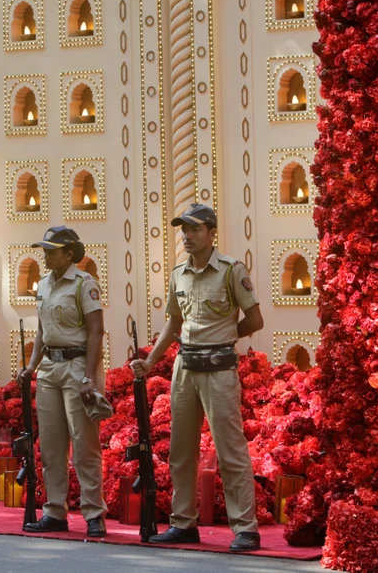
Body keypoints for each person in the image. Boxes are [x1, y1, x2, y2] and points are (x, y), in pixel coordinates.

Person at [131, 203, 264, 552]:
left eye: (194, 229)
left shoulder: (231, 270)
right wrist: (150, 362)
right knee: (181, 451)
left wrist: (222, 335)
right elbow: (172, 324)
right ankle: (183, 522)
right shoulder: (179, 274)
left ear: (211, 232)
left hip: (219, 368)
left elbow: (254, 320)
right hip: (185, 368)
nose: (187, 236)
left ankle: (245, 528)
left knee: (230, 449)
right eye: (183, 230)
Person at [18, 226, 107, 537]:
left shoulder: (84, 284)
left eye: (53, 250)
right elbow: (43, 330)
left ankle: (93, 513)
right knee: (53, 447)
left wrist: (89, 376)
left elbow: (96, 331)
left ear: (69, 254)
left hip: (78, 365)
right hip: (50, 369)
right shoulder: (43, 284)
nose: (46, 254)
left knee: (84, 445)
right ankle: (55, 511)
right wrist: (31, 366)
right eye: (45, 249)